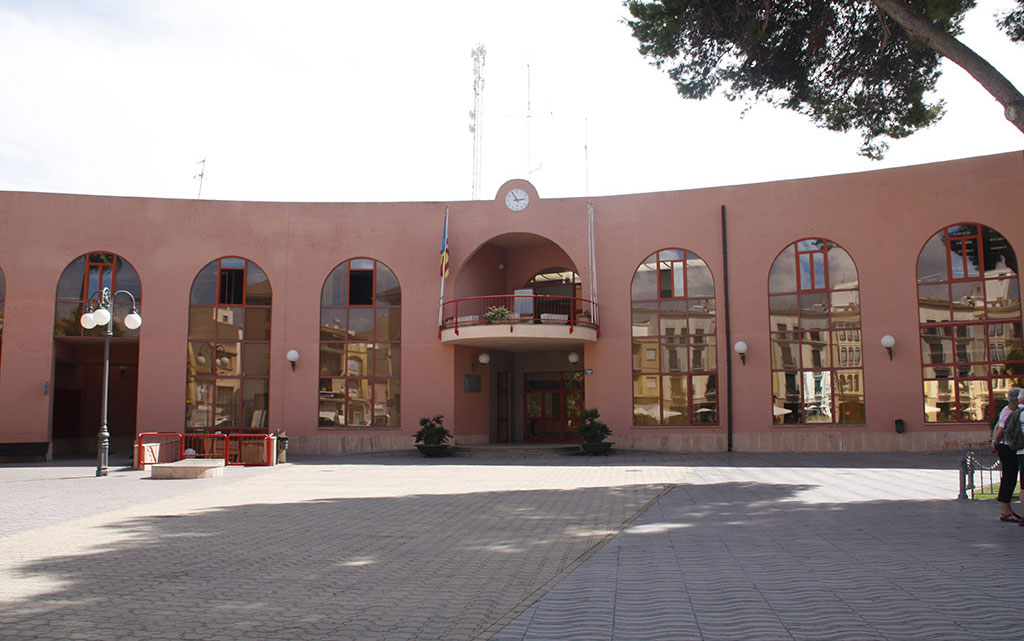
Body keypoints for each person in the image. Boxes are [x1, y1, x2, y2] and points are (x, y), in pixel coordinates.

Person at [991, 387, 1023, 522]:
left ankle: (1008, 509)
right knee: (1009, 477)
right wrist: (995, 443)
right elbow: (1000, 428)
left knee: (1010, 476)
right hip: (1007, 447)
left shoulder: (1010, 410)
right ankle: (1005, 510)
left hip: (1008, 446)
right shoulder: (1009, 411)